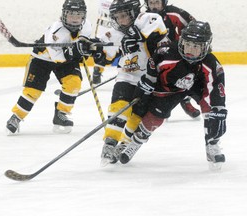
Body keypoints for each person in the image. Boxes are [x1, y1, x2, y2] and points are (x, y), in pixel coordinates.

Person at [119, 21, 228, 170]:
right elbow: (151, 74)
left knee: (211, 109)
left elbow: (214, 89)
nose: (190, 50)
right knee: (155, 116)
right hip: (169, 89)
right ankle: (136, 141)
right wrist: (146, 85)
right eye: (188, 44)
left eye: (196, 46)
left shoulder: (212, 64)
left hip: (197, 85)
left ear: (206, 47)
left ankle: (212, 143)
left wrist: (218, 109)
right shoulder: (166, 54)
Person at [95, 0, 168, 165]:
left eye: (124, 15)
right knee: (119, 107)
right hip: (127, 76)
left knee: (137, 117)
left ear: (134, 12)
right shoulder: (113, 33)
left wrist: (136, 35)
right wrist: (89, 48)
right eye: (117, 17)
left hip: (150, 79)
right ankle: (110, 143)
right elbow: (103, 54)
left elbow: (158, 27)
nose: (121, 20)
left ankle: (124, 144)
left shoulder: (147, 18)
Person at [6, 0, 93, 135]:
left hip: (66, 59)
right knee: (33, 92)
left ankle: (61, 114)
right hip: (42, 59)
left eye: (78, 15)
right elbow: (57, 57)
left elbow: (84, 44)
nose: (75, 19)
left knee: (74, 84)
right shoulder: (56, 31)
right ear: (64, 15)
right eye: (71, 15)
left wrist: (88, 48)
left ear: (84, 16)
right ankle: (16, 117)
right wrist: (76, 52)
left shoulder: (87, 26)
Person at [144, 0, 201, 119]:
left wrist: (180, 45)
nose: (154, 6)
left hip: (172, 56)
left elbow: (193, 27)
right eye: (151, 3)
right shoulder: (143, 18)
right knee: (155, 83)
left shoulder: (174, 13)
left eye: (157, 3)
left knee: (182, 78)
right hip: (152, 57)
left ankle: (185, 101)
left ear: (164, 2)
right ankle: (157, 107)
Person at [92, 0, 114, 84]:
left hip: (101, 29)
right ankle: (125, 74)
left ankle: (98, 68)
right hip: (115, 29)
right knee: (120, 52)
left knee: (100, 54)